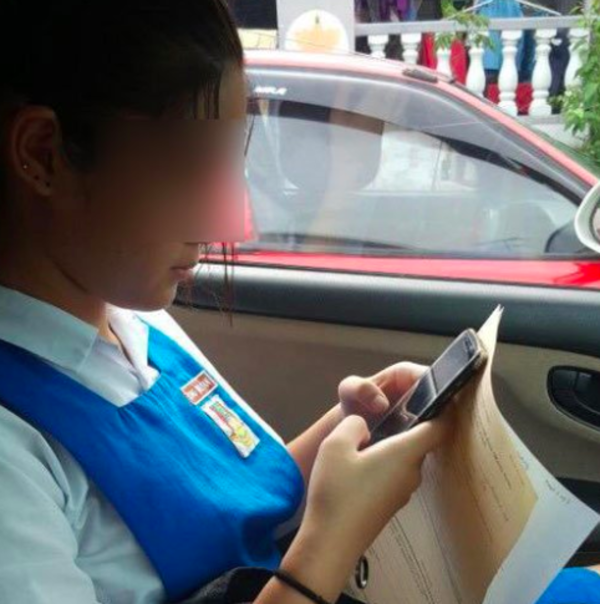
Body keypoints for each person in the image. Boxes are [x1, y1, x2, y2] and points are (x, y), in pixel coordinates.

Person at [0, 2, 448, 603]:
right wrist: (330, 539)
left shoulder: (140, 321)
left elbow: (229, 507)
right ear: (43, 152)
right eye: (191, 168)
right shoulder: (13, 450)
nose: (221, 223)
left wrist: (352, 433)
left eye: (228, 163)